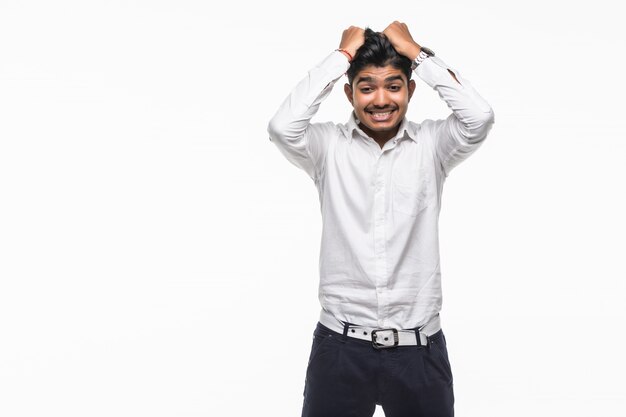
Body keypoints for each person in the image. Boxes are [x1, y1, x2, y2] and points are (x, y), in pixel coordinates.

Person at [267, 21, 495, 417]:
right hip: (340, 348)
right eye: (366, 86)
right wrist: (339, 58)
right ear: (349, 92)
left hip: (419, 350)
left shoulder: (433, 145)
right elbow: (282, 127)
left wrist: (416, 52)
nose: (380, 99)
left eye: (393, 85)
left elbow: (479, 117)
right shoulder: (326, 147)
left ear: (410, 90)